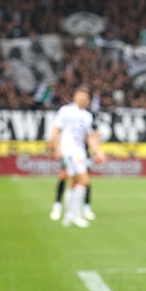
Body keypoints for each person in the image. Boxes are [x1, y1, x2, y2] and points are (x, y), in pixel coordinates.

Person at [47, 85, 105, 228]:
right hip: (69, 151)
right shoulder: (65, 111)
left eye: (85, 98)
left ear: (89, 100)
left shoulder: (87, 116)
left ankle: (69, 216)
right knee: (83, 180)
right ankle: (74, 214)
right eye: (80, 97)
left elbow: (90, 137)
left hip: (80, 153)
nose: (82, 99)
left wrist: (99, 152)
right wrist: (56, 146)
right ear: (75, 97)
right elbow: (56, 129)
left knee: (74, 182)